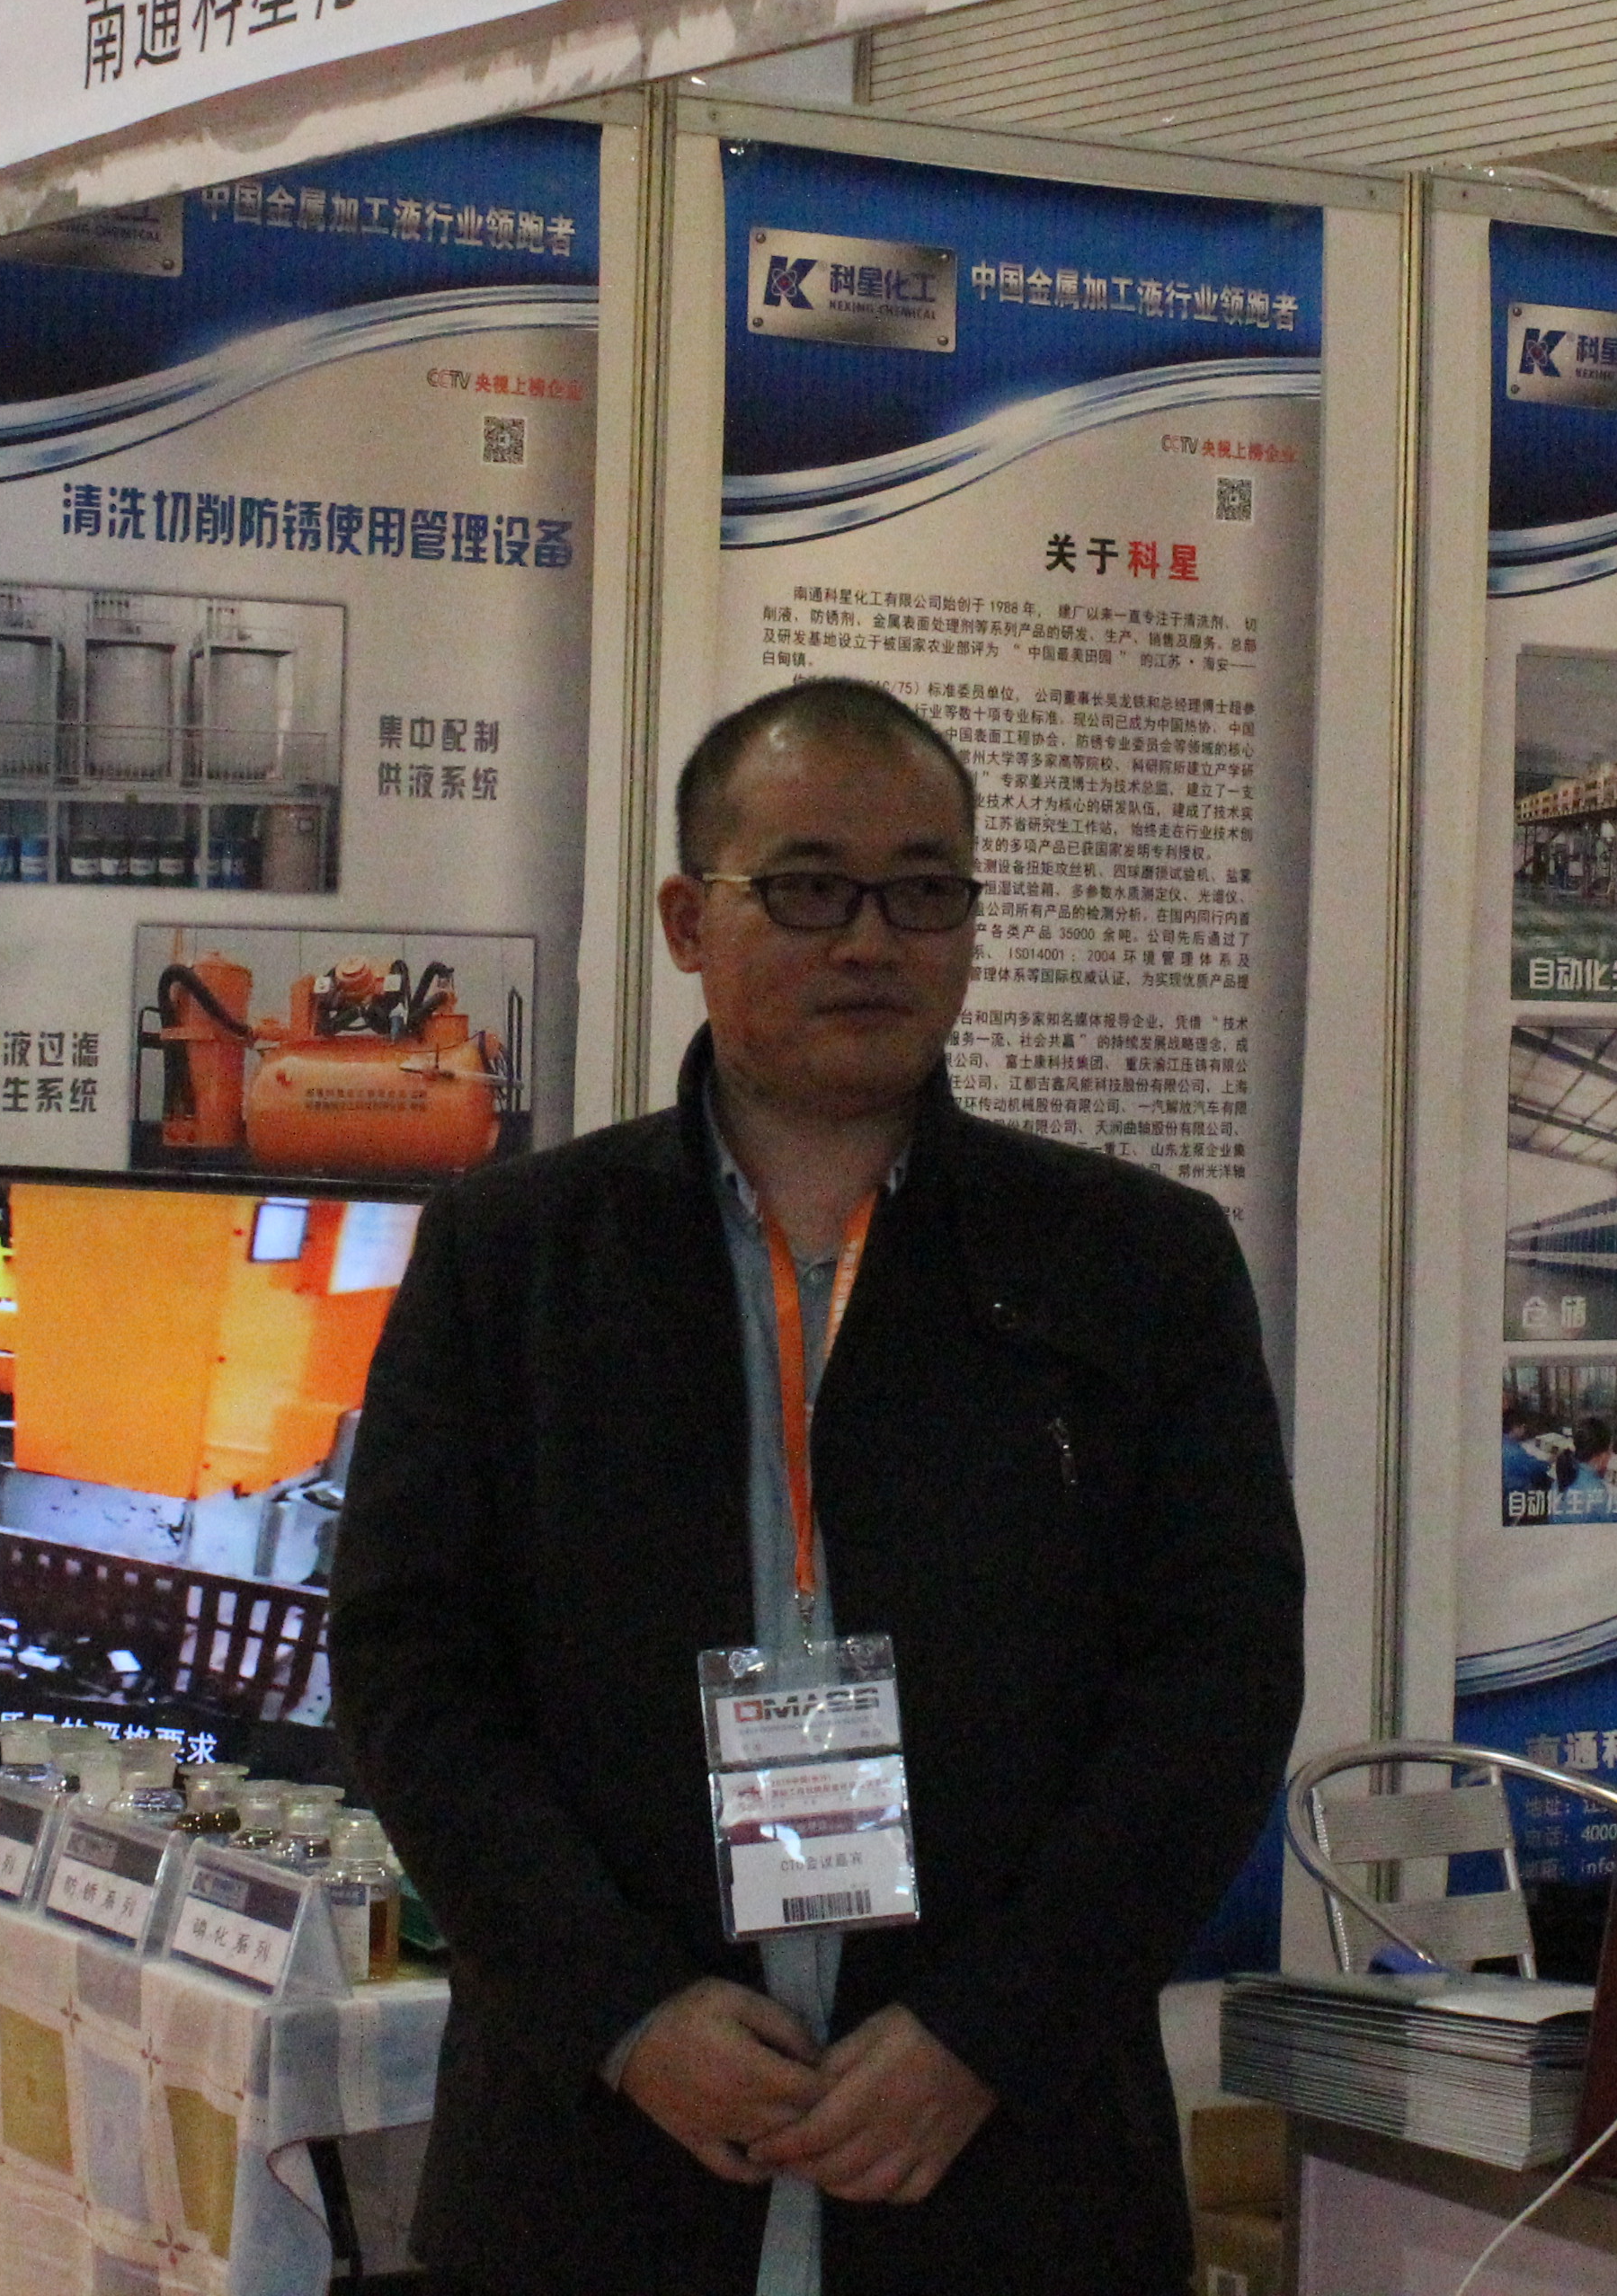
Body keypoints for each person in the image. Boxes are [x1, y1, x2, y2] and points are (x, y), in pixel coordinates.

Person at [334, 678, 1305, 2296]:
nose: (870, 941)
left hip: (1007, 2168)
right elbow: (409, 1677)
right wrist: (624, 2014)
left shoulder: (1136, 1263)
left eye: (923, 892)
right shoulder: (515, 1259)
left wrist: (986, 2034)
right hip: (598, 2169)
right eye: (805, 888)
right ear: (686, 920)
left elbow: (1219, 1689)